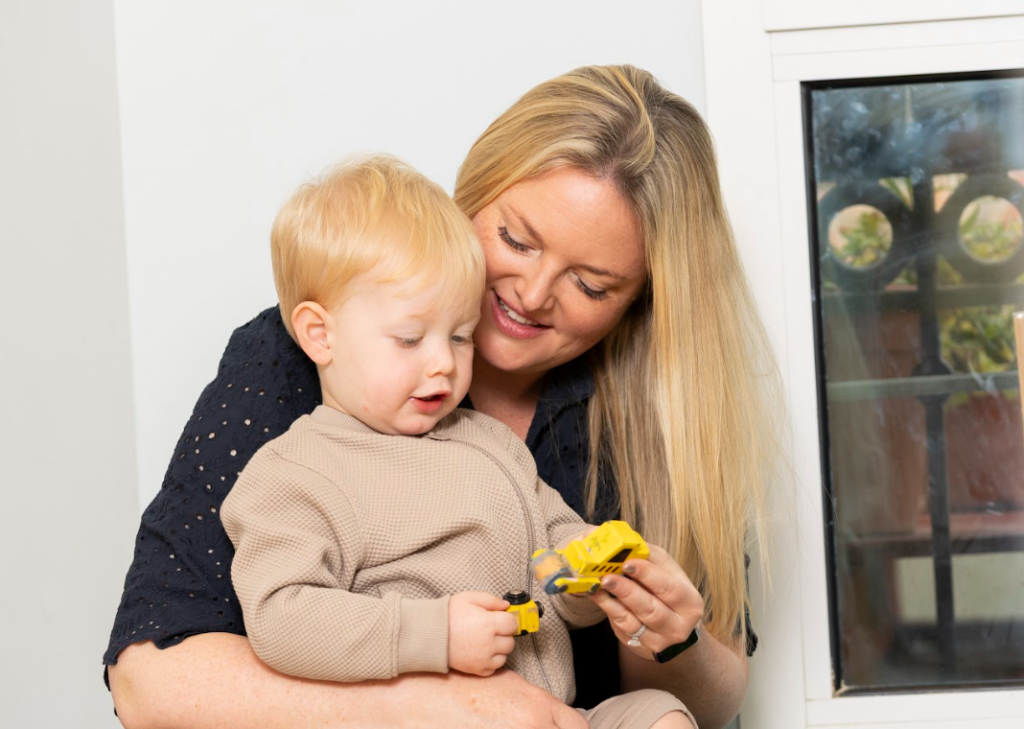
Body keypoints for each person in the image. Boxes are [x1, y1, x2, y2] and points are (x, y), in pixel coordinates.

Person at [105, 64, 782, 729]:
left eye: (592, 284)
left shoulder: (527, 439)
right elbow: (159, 675)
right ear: (471, 198)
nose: (532, 292)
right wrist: (435, 698)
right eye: (516, 239)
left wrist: (644, 612)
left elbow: (569, 569)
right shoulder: (298, 406)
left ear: (639, 302)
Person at [219, 154, 695, 729]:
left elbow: (553, 551)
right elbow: (282, 618)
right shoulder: (295, 473)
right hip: (420, 719)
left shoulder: (489, 443)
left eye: (462, 335)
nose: (443, 363)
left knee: (659, 715)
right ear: (321, 334)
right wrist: (434, 636)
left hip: (554, 712)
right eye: (411, 338)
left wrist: (592, 572)